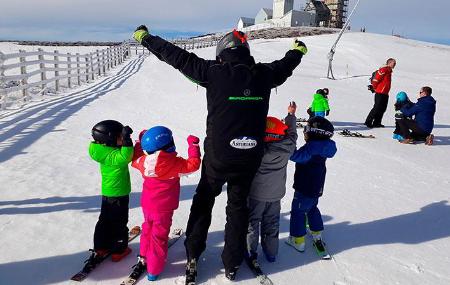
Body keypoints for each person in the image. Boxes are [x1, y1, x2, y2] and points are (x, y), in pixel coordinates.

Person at [133, 26, 307, 280]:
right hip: (249, 158)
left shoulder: (212, 72)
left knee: (204, 200)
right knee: (237, 207)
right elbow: (286, 65)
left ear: (221, 52)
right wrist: (297, 50)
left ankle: (193, 253)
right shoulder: (264, 74)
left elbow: (175, 56)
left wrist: (146, 38)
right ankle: (232, 263)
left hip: (219, 157)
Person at [130, 126, 201, 281]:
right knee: (158, 237)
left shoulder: (143, 162)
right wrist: (193, 146)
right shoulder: (175, 164)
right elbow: (194, 164)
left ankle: (143, 256)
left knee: (147, 229)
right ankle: (153, 271)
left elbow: (134, 159)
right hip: (164, 209)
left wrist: (139, 142)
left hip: (147, 205)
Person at [246, 102, 298, 264]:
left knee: (253, 223)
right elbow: (292, 134)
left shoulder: (256, 151)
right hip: (276, 194)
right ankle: (271, 252)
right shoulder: (288, 146)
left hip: (256, 195)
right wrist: (290, 116)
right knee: (272, 222)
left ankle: (250, 252)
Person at [85, 120, 134, 269]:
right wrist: (127, 141)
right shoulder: (113, 157)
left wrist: (125, 140)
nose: (122, 139)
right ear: (111, 139)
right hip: (119, 194)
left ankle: (101, 247)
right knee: (119, 222)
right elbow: (126, 156)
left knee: (104, 221)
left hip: (107, 194)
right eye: (120, 136)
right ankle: (120, 250)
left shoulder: (100, 150)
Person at [286, 117, 337, 253]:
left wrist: (287, 143)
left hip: (304, 186)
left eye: (306, 131)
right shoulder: (325, 146)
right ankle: (317, 232)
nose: (305, 134)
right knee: (312, 207)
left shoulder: (311, 148)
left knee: (298, 211)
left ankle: (298, 240)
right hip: (317, 186)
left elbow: (294, 156)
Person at [365, 58, 396, 128]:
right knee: (376, 107)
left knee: (382, 108)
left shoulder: (389, 71)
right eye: (393, 63)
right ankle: (368, 122)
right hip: (380, 92)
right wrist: (376, 88)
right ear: (389, 63)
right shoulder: (384, 69)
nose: (395, 65)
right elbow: (376, 80)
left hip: (385, 93)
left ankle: (377, 122)